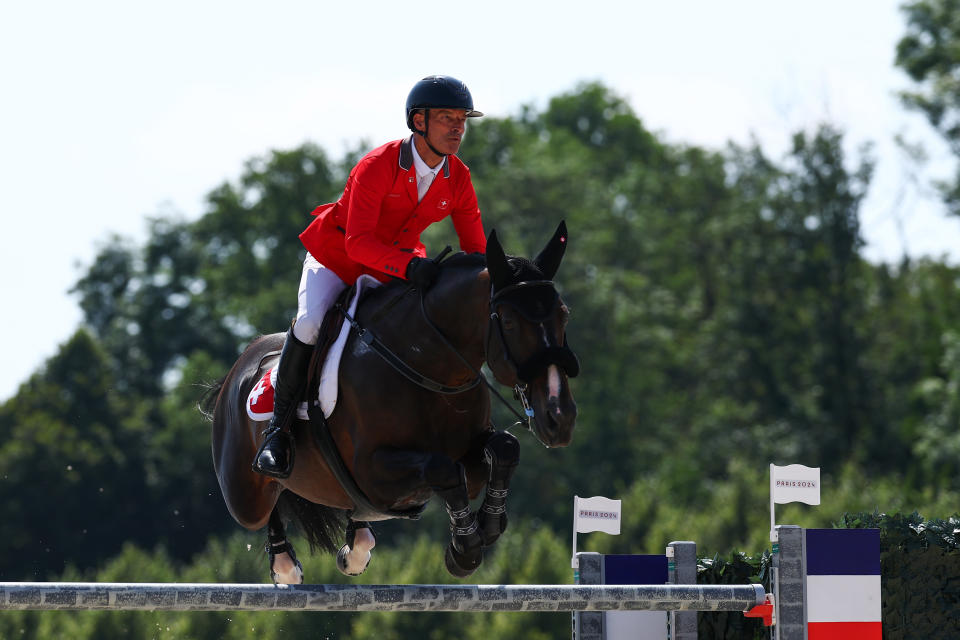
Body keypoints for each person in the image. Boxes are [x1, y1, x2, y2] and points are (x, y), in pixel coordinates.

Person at [253, 75, 488, 478]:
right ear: (418, 122)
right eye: (447, 117)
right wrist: (412, 267)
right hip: (338, 257)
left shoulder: (459, 177)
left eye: (462, 119)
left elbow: (477, 252)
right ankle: (278, 433)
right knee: (310, 324)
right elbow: (358, 244)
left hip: (397, 266)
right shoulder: (377, 166)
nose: (457, 127)